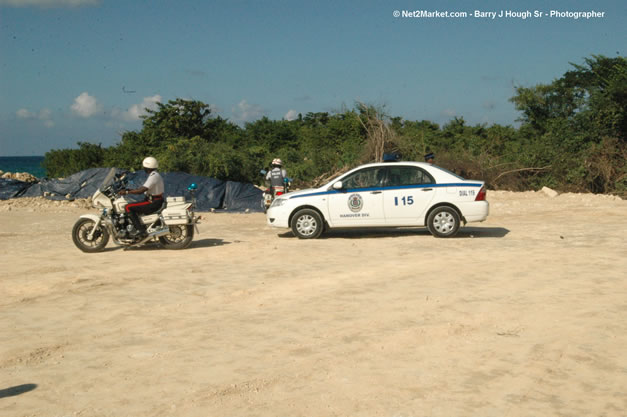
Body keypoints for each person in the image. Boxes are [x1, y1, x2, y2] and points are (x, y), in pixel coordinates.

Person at [119, 156, 165, 237]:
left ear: (147, 167)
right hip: (154, 200)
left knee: (128, 207)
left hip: (152, 202)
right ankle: (141, 226)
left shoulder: (153, 176)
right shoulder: (155, 175)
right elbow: (143, 188)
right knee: (134, 205)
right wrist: (129, 189)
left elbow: (141, 191)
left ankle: (140, 231)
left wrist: (126, 192)